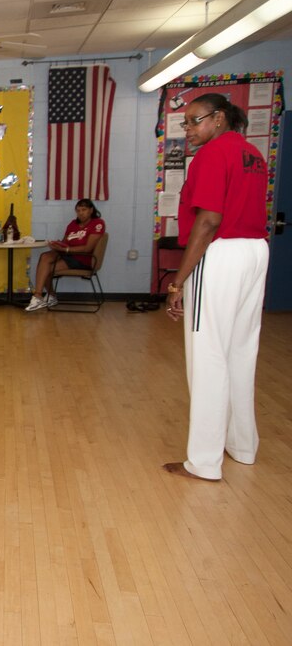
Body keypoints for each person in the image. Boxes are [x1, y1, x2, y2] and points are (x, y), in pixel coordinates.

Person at [163, 93, 270, 482]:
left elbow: (208, 221)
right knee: (241, 351)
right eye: (185, 122)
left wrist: (178, 283)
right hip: (255, 251)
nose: (187, 129)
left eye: (194, 121)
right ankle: (242, 445)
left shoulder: (212, 154)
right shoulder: (251, 153)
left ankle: (204, 462)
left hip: (222, 253)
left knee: (207, 357)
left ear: (220, 118)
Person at [25, 199, 107, 311]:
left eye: (84, 210)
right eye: (78, 210)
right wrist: (57, 245)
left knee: (47, 268)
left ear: (91, 210)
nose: (81, 213)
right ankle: (46, 296)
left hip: (83, 258)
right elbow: (65, 243)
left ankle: (40, 296)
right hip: (67, 254)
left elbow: (88, 248)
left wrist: (66, 249)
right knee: (45, 257)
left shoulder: (97, 223)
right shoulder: (73, 224)